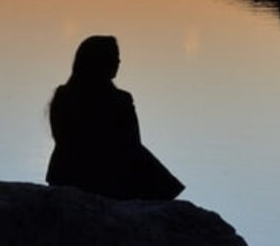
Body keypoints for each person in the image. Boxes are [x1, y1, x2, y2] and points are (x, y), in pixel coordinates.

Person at [45, 35, 184, 200]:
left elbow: (62, 139)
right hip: (105, 177)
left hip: (65, 173)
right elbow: (132, 144)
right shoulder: (120, 100)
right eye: (114, 57)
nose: (119, 61)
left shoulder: (63, 95)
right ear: (100, 61)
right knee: (147, 167)